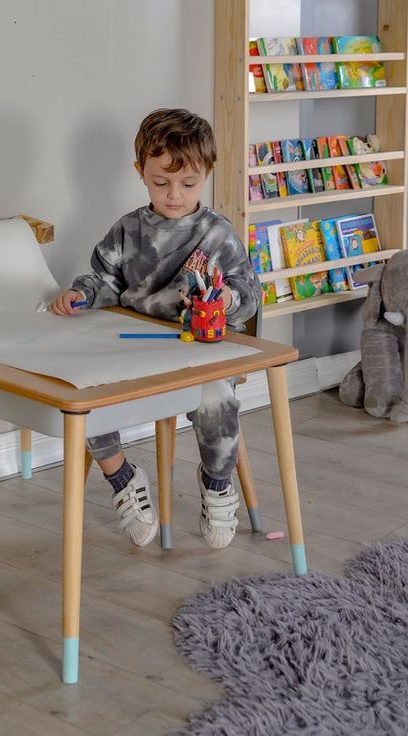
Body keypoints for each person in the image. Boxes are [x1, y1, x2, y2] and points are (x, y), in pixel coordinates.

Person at [49, 108, 261, 549]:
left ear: (207, 174)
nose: (174, 195)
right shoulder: (128, 230)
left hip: (196, 350)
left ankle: (218, 484)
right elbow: (104, 279)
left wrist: (226, 299)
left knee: (217, 398)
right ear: (140, 173)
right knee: (82, 390)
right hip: (130, 345)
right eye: (160, 182)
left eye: (188, 183)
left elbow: (249, 293)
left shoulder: (217, 234)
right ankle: (123, 477)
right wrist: (83, 294)